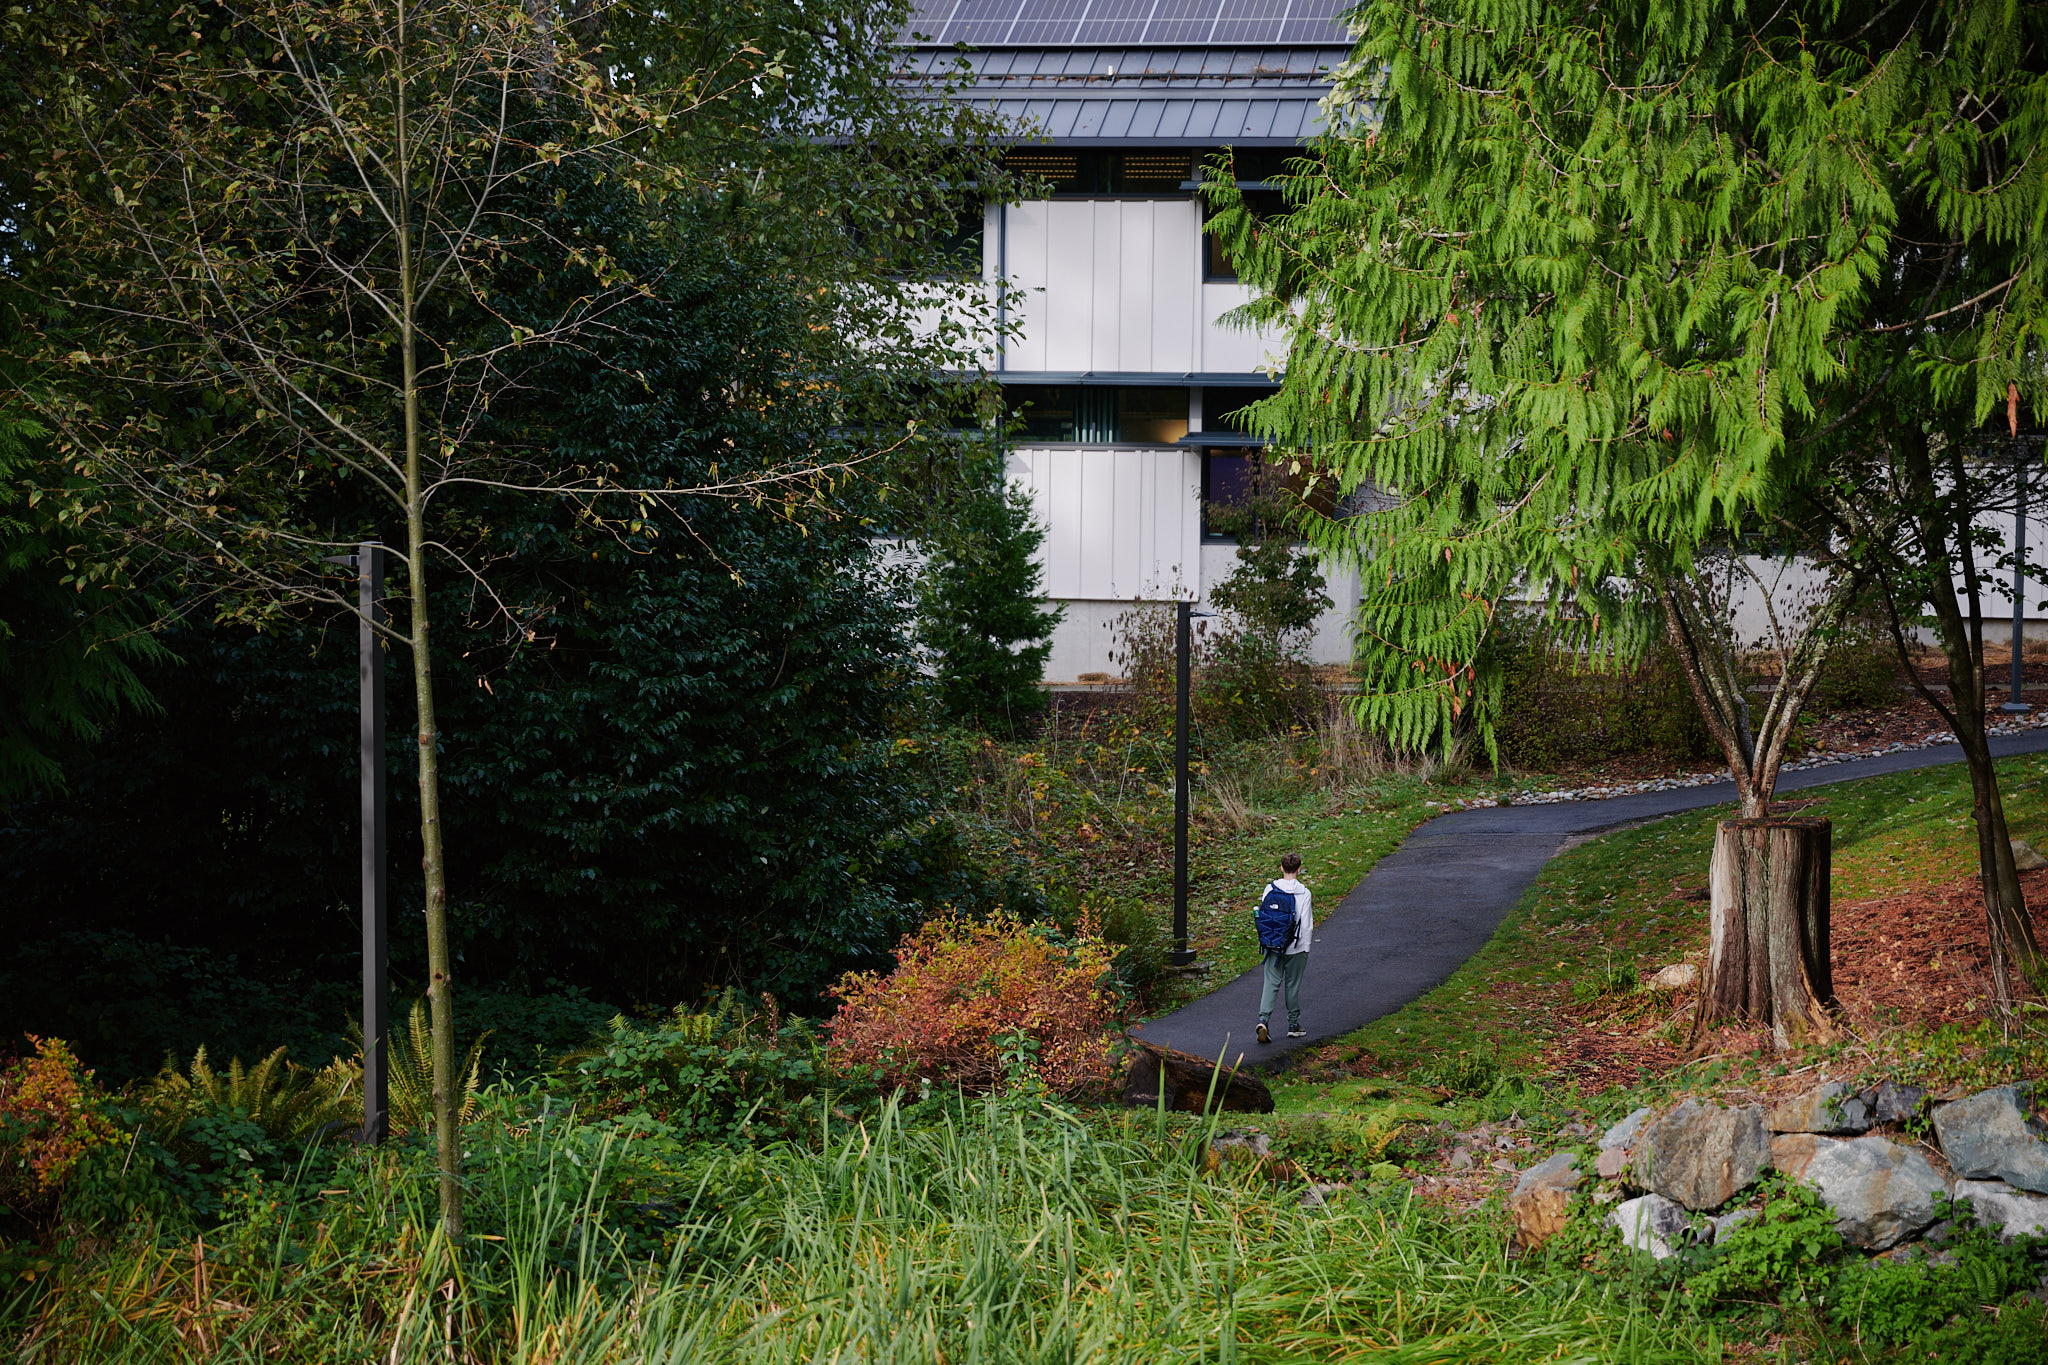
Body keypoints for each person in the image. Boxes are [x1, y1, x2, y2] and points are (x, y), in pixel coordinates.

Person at [1256, 852, 1312, 1043]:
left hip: (1273, 945)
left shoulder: (1270, 888)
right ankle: (1293, 1024)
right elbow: (1305, 925)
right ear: (1299, 869)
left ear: (1281, 868)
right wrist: (1305, 947)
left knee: (1271, 983)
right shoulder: (1304, 893)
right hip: (1296, 947)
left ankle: (1263, 1019)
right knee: (1292, 985)